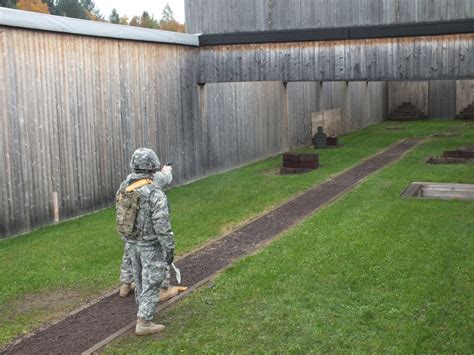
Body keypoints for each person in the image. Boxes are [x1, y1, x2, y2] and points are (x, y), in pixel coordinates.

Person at [116, 148, 175, 335]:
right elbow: (162, 224)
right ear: (152, 166)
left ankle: (143, 311)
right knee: (153, 281)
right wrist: (169, 247)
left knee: (140, 281)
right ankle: (144, 322)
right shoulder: (154, 192)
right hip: (150, 246)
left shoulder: (124, 186)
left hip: (131, 243)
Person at [119, 162, 180, 302]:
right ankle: (163, 289)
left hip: (130, 228)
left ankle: (126, 284)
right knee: (159, 255)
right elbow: (166, 178)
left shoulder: (127, 181)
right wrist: (167, 171)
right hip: (148, 230)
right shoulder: (154, 178)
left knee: (129, 254)